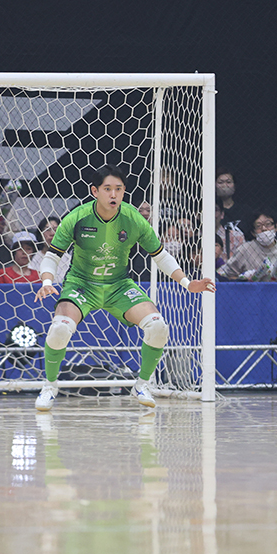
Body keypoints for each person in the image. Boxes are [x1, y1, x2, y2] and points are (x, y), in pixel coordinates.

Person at [34, 165, 214, 411]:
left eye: (118, 189)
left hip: (118, 285)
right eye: (107, 189)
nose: (113, 194)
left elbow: (160, 255)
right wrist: (47, 282)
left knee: (158, 326)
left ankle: (142, 384)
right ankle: (50, 386)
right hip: (81, 284)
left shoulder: (133, 218)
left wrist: (187, 282)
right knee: (59, 328)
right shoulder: (77, 217)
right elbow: (52, 256)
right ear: (95, 191)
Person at [217, 210, 277, 283]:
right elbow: (227, 273)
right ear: (253, 232)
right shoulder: (244, 250)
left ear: (276, 227)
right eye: (258, 226)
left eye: (268, 224)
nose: (264, 229)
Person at [29, 216, 71, 283]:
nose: (52, 233)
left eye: (55, 229)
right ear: (40, 233)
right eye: (48, 230)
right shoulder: (34, 258)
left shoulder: (68, 259)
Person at [216, 168, 254, 238]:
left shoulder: (245, 210)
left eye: (228, 182)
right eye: (221, 182)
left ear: (234, 185)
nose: (225, 185)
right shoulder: (213, 211)